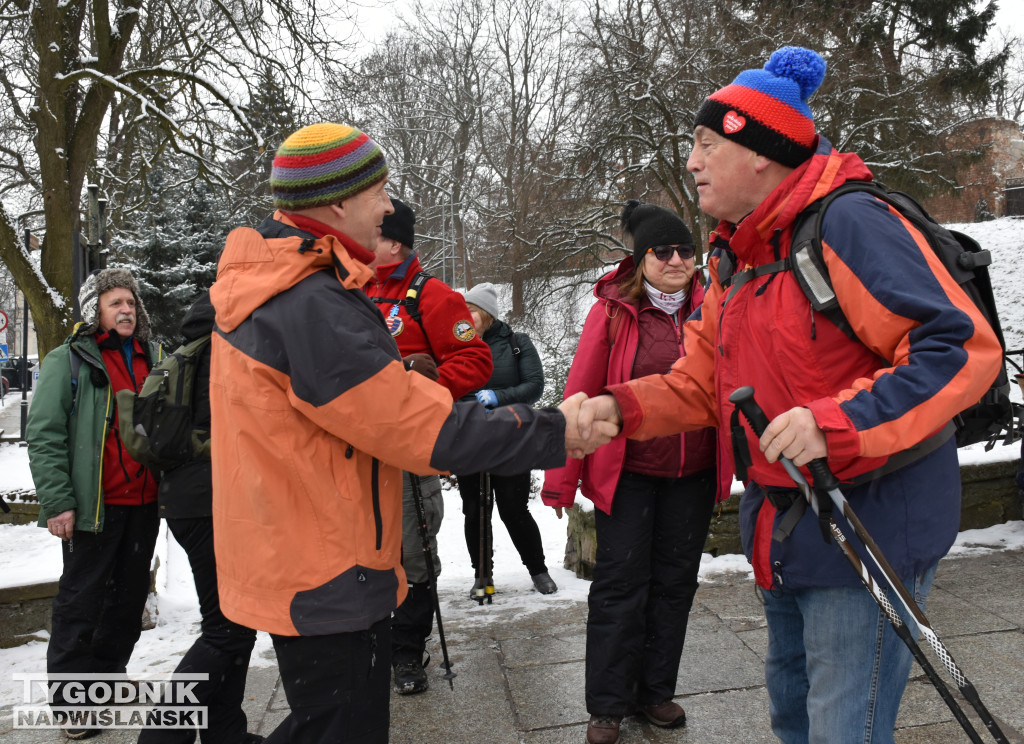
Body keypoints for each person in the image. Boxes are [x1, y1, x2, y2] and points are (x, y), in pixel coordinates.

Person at [570, 47, 1003, 744]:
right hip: (785, 533)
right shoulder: (735, 254)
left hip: (867, 529)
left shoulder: (849, 223)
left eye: (706, 143)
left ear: (760, 154)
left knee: (843, 731)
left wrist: (835, 422)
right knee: (794, 720)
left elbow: (958, 349)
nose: (691, 161)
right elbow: (701, 382)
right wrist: (618, 408)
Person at [209, 122, 607, 744]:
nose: (388, 207)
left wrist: (416, 383)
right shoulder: (309, 301)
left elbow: (431, 384)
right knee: (341, 728)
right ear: (337, 203)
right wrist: (557, 431)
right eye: (379, 192)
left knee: (331, 720)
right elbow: (420, 429)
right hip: (327, 562)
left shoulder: (302, 285)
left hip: (312, 547)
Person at [542, 202, 716, 744]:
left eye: (685, 249)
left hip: (694, 473)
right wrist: (561, 479)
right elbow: (580, 392)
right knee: (620, 587)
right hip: (629, 474)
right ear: (641, 259)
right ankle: (607, 705)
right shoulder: (614, 312)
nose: (676, 260)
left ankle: (655, 691)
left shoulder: (715, 306)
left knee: (675, 584)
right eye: (662, 251)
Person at [362, 197, 494, 695]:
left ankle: (407, 652)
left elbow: (476, 360)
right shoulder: (353, 288)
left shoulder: (431, 295)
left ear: (394, 243)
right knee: (366, 550)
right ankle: (372, 644)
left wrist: (425, 382)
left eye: (374, 233)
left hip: (409, 448)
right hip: (356, 448)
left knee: (413, 552)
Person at [28, 268, 162, 741]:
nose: (127, 310)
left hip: (145, 505)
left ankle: (106, 682)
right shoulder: (67, 361)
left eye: (131, 302)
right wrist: (58, 502)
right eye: (115, 303)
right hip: (94, 508)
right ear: (95, 311)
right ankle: (72, 704)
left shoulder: (154, 358)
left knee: (127, 603)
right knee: (81, 604)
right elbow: (45, 436)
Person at [137, 290, 261, 744]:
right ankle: (161, 735)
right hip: (212, 503)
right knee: (227, 628)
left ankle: (225, 733)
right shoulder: (222, 354)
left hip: (187, 501)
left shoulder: (187, 353)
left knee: (233, 625)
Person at [455, 282, 557, 597]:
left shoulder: (517, 343)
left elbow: (534, 385)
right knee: (475, 510)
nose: (464, 316)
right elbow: (447, 385)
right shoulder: (455, 344)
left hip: (510, 438)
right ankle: (482, 576)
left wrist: (497, 397)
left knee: (513, 509)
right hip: (470, 438)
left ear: (486, 313)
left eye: (471, 310)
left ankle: (538, 570)